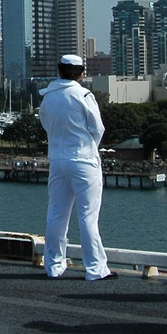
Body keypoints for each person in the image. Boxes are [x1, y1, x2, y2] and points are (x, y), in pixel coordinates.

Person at [39, 54, 117, 281]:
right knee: (88, 216)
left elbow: (45, 124)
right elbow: (97, 128)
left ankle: (53, 265)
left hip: (57, 159)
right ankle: (95, 269)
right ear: (81, 73)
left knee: (56, 213)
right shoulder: (83, 95)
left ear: (60, 70)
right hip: (83, 159)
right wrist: (89, 148)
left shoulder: (48, 96)